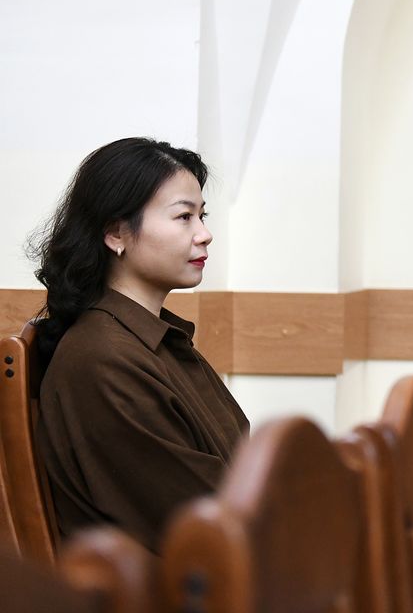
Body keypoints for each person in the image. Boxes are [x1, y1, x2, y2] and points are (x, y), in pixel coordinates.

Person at [29, 137, 249, 551]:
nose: (205, 235)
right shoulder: (103, 360)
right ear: (116, 233)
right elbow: (205, 526)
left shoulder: (151, 339)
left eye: (202, 216)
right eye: (184, 217)